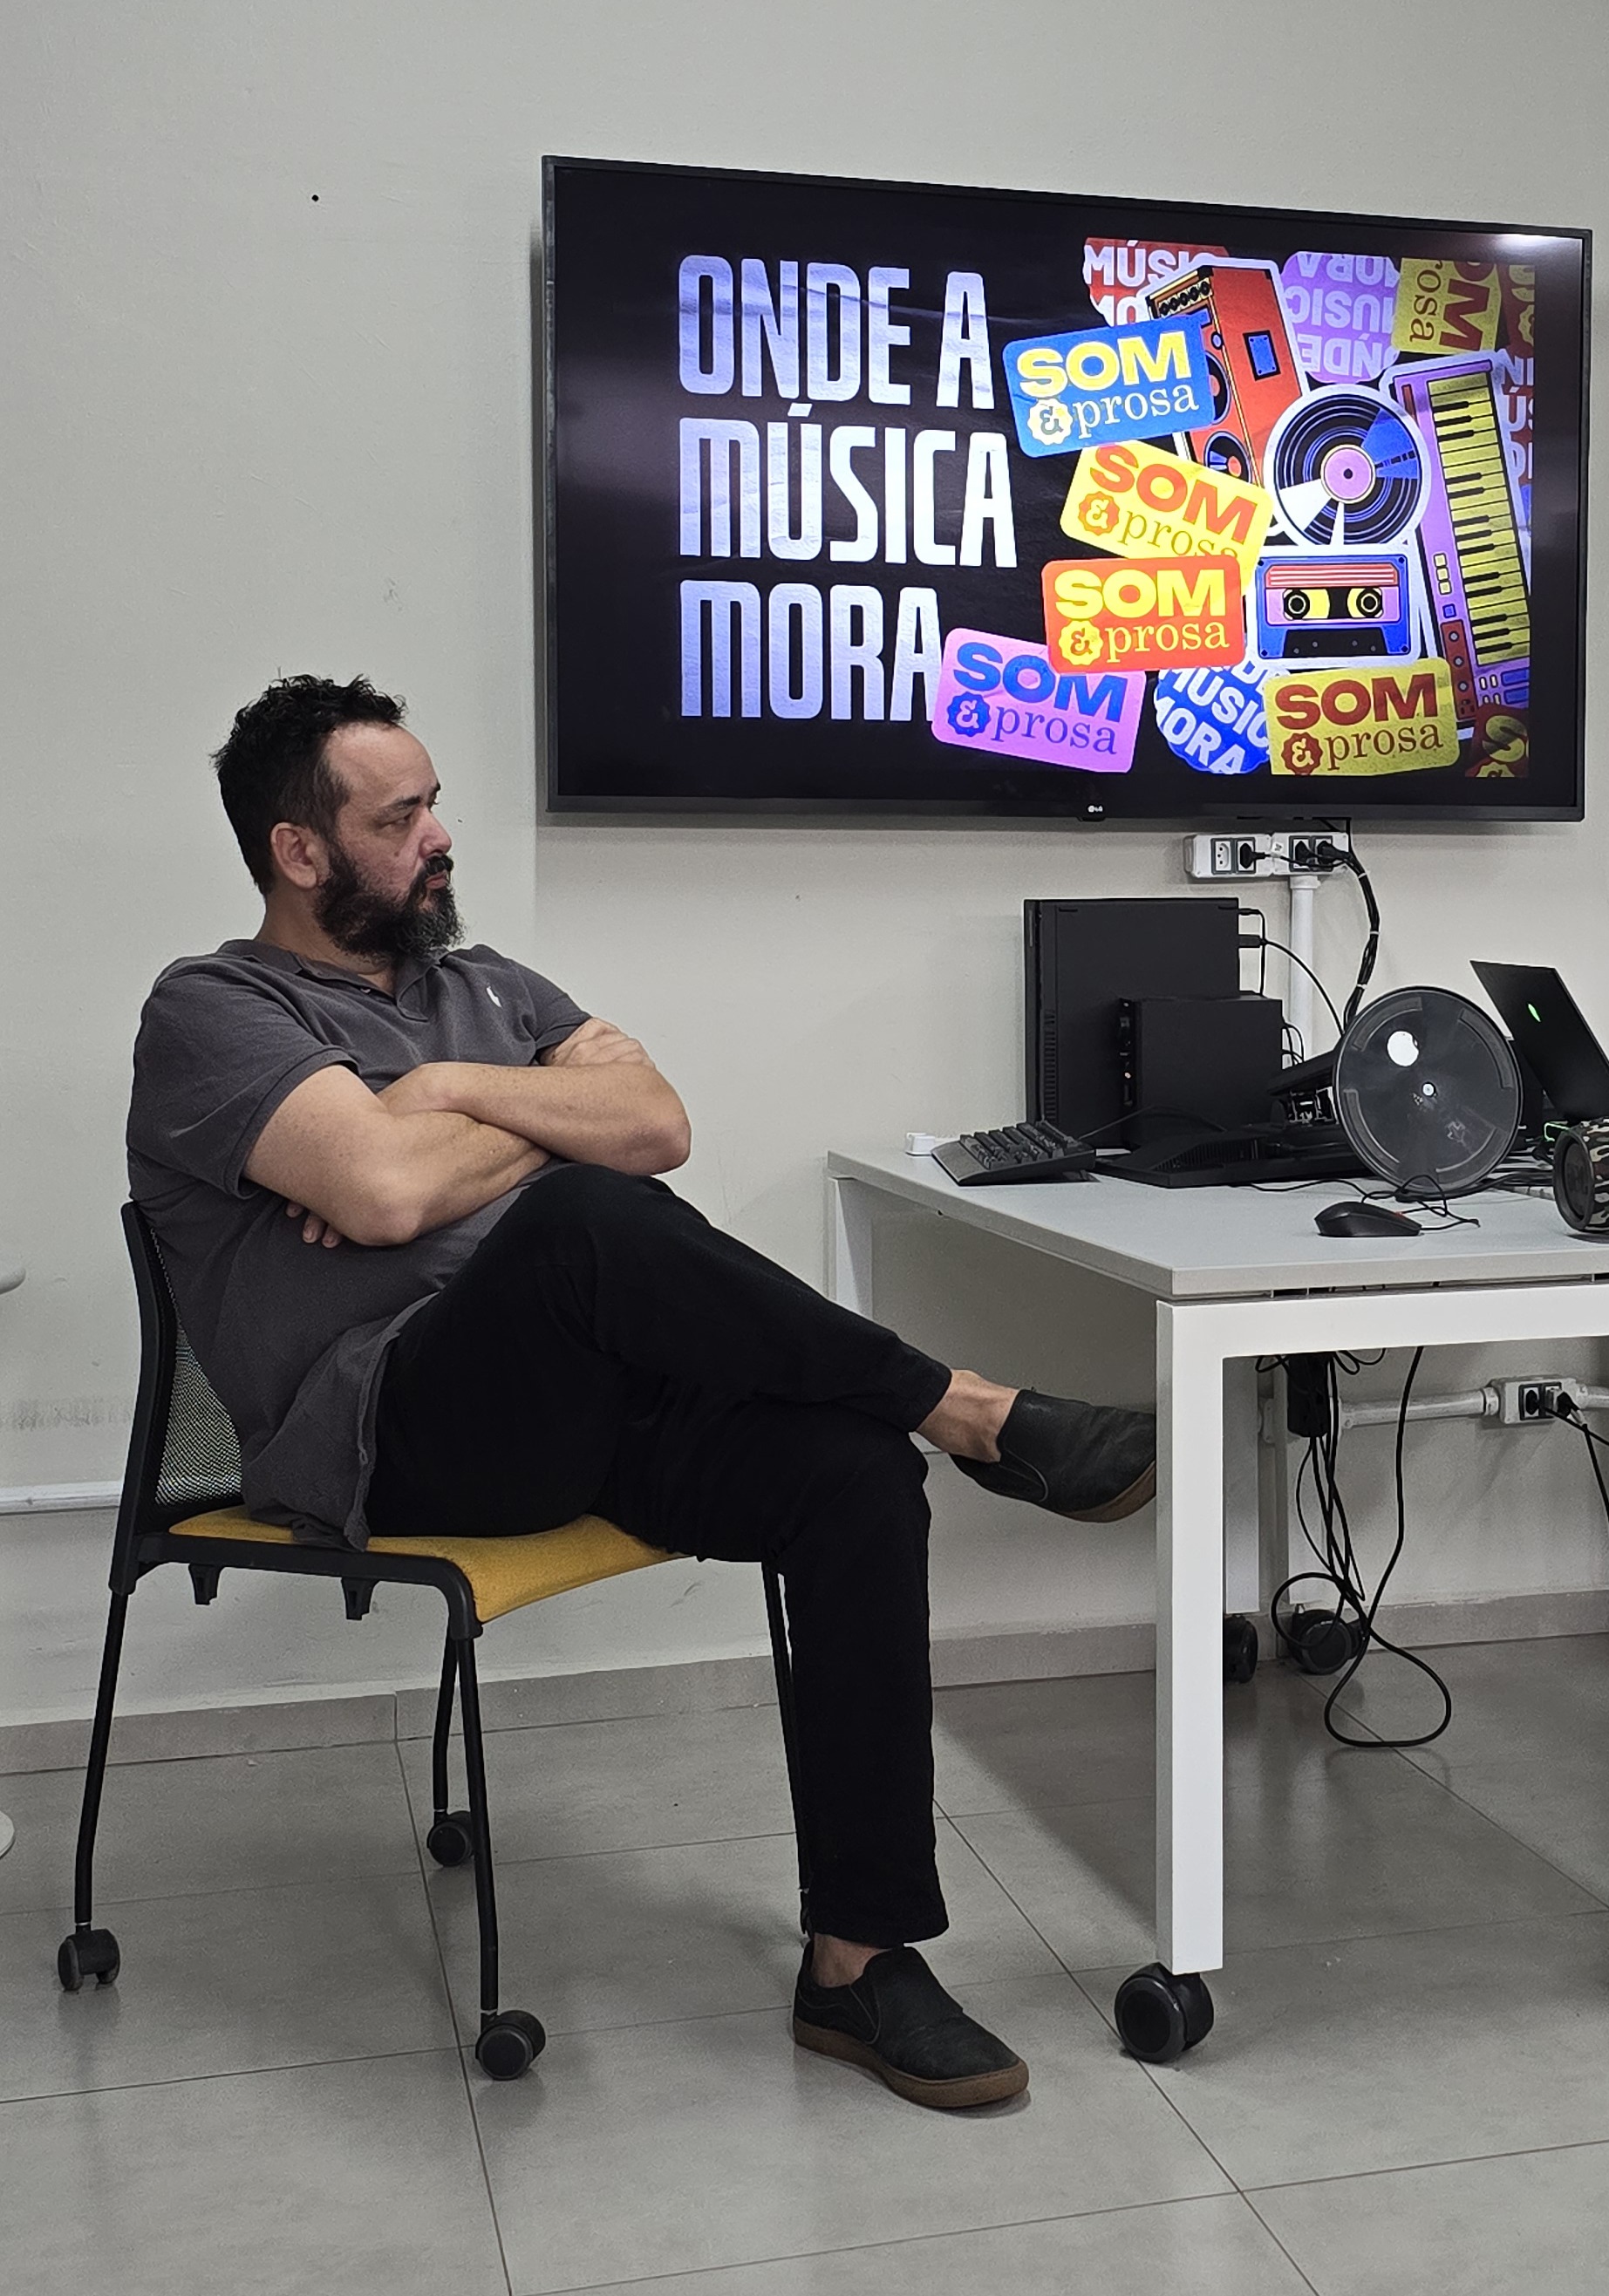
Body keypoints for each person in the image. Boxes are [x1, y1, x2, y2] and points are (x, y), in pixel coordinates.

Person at [126, 673, 1158, 2111]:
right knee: (581, 1219)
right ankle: (968, 1405)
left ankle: (859, 1961)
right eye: (400, 816)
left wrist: (441, 1094)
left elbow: (657, 1124)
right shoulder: (215, 1008)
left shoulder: (486, 989)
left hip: (581, 1408)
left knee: (853, 1476)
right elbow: (381, 1193)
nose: (439, 836)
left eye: (434, 804)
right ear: (300, 851)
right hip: (391, 1436)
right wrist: (539, 1126)